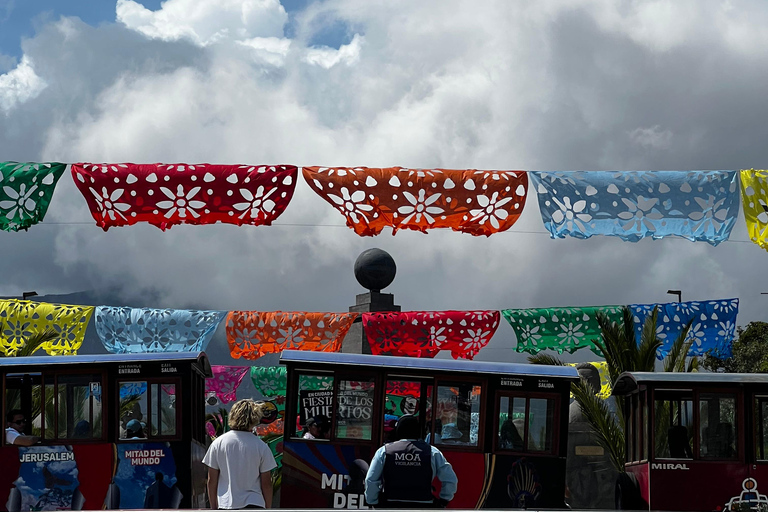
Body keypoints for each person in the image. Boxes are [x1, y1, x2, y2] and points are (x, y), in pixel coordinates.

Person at [365, 414, 457, 509]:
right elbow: (450, 479)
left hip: (391, 504)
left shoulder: (384, 451)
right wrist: (444, 500)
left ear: (398, 430)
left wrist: (373, 501)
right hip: (424, 505)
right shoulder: (433, 452)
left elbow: (371, 479)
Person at [203, 399, 277, 509]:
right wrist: (268, 508)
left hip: (226, 504)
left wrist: (214, 507)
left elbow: (212, 480)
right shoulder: (261, 446)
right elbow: (266, 484)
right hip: (255, 503)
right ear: (255, 418)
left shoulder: (218, 443)